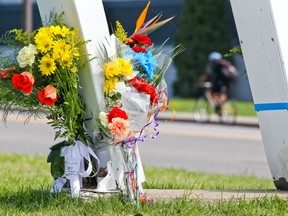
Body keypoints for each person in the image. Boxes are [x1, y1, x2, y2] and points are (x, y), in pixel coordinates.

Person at [200, 51, 238, 116]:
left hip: (219, 82)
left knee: (210, 92)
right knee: (223, 93)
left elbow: (206, 75)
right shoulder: (225, 64)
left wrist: (200, 82)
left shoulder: (212, 65)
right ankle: (222, 107)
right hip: (227, 82)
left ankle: (218, 106)